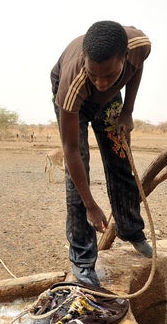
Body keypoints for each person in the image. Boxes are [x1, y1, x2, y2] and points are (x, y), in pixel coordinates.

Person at [50, 20, 153, 287]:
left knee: (120, 160)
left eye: (108, 74)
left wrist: (128, 110)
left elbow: (136, 70)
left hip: (110, 102)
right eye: (94, 74)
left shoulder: (139, 46)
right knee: (77, 177)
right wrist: (91, 206)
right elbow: (71, 150)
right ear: (84, 60)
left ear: (124, 58)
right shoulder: (73, 85)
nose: (101, 82)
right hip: (77, 104)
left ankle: (132, 231)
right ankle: (83, 260)